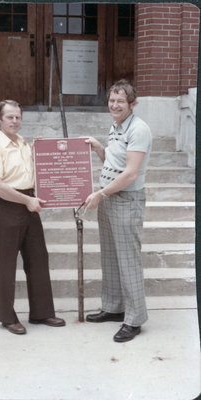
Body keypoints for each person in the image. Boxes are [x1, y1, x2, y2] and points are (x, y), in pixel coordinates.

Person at [0, 100, 65, 335]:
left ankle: (41, 312)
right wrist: (27, 201)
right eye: (10, 117)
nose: (15, 121)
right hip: (6, 205)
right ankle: (7, 317)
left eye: (18, 117)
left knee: (38, 257)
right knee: (7, 262)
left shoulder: (24, 144)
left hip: (29, 202)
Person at [84, 79, 152, 342]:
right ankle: (113, 308)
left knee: (128, 260)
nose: (114, 105)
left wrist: (100, 194)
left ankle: (134, 320)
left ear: (132, 104)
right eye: (112, 100)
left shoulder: (139, 129)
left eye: (120, 101)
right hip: (110, 197)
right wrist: (99, 147)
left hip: (125, 199)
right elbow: (114, 163)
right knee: (111, 257)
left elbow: (131, 174)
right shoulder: (116, 125)